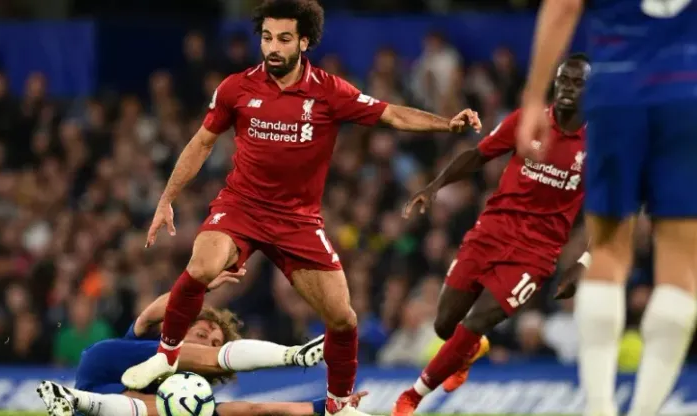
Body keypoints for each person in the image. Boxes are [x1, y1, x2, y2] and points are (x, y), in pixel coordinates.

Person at [120, 1, 482, 415]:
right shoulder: (236, 88)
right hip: (240, 208)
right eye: (267, 38)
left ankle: (338, 405)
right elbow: (201, 143)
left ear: (304, 42)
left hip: (297, 221)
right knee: (202, 266)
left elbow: (391, 114)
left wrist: (446, 123)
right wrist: (167, 198)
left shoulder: (329, 91)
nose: (273, 47)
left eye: (284, 39)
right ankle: (166, 355)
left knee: (343, 319)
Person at [518, 1, 697, 415]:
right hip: (687, 92)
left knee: (608, 252)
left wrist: (533, 98)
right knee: (681, 264)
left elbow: (564, 6)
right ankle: (645, 411)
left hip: (618, 90)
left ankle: (599, 407)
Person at [390, 54, 591, 416]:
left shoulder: (598, 144)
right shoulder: (528, 121)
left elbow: (614, 211)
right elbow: (477, 154)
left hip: (535, 254)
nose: (567, 89)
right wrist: (434, 186)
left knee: (476, 321)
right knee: (444, 325)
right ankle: (469, 351)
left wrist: (583, 263)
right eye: (563, 80)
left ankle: (412, 397)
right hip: (492, 231)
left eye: (578, 83)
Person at [37, 268, 331, 416]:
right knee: (178, 396)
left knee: (183, 409)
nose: (207, 343)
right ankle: (295, 355)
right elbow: (150, 314)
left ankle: (72, 399)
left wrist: (325, 407)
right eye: (202, 334)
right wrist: (197, 287)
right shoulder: (148, 339)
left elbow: (255, 410)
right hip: (109, 364)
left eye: (214, 343)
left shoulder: (192, 399)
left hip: (107, 405)